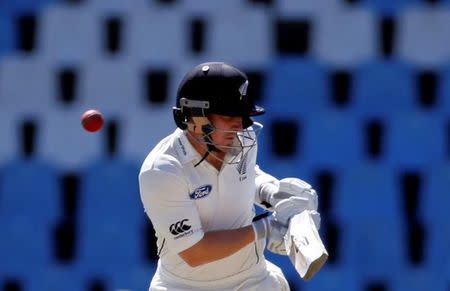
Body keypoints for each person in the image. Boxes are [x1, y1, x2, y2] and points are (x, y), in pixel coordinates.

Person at [139, 62, 321, 291]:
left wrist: (272, 193)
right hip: (183, 286)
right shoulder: (163, 170)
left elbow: (244, 177)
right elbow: (194, 252)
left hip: (253, 281)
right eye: (228, 116)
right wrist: (264, 228)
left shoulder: (240, 139)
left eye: (243, 117)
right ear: (195, 116)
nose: (239, 127)